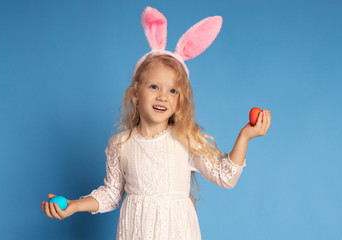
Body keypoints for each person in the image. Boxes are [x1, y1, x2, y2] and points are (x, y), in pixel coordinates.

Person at [41, 6, 271, 239]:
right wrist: (74, 205)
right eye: (154, 87)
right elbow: (112, 195)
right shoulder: (119, 145)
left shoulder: (185, 139)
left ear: (180, 101)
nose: (163, 96)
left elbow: (226, 177)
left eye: (172, 91)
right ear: (136, 93)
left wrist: (245, 137)